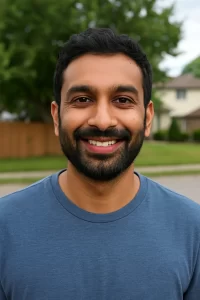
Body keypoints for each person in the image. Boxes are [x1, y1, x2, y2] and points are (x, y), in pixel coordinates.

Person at [0, 28, 200, 300]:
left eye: (123, 100)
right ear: (57, 118)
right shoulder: (5, 228)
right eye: (83, 99)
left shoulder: (193, 230)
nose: (103, 121)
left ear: (148, 118)